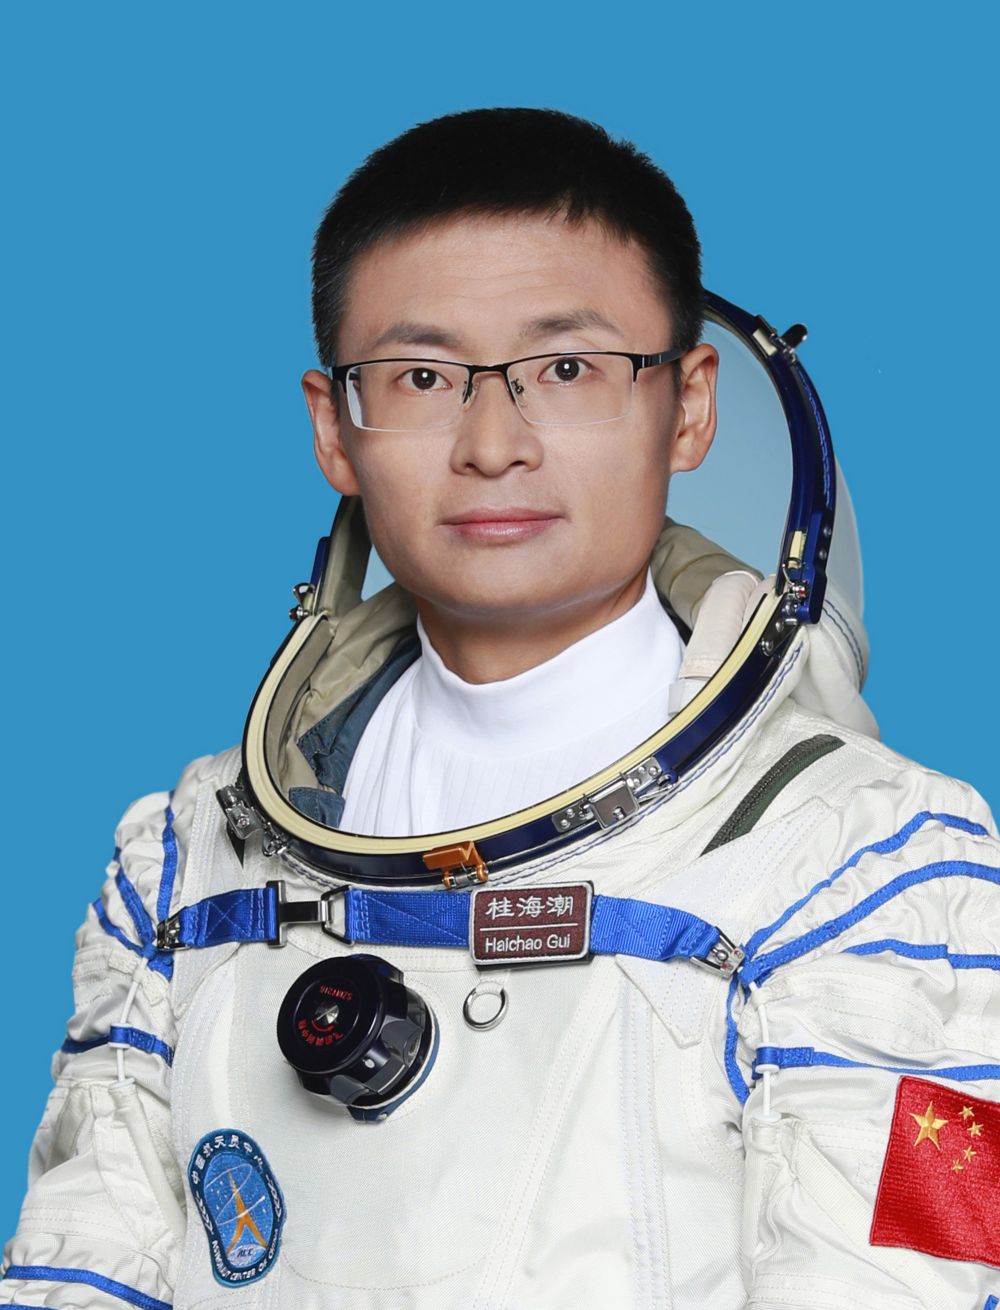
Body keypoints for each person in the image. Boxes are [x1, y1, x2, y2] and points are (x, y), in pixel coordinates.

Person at [3, 108, 998, 1310]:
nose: (491, 444)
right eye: (422, 377)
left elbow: (904, 1281)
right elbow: (78, 1271)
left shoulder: (884, 867)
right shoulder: (182, 861)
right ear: (333, 428)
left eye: (566, 369)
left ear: (690, 405)